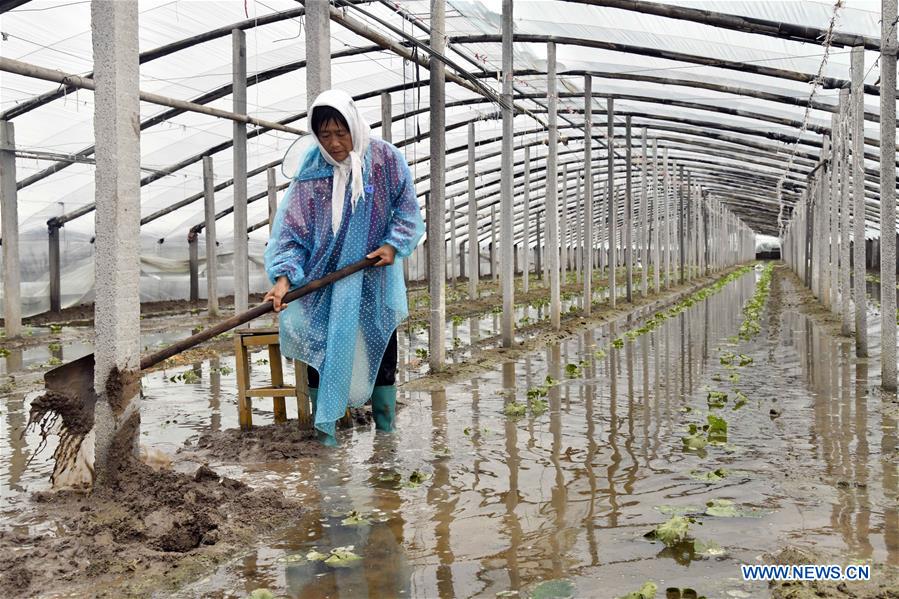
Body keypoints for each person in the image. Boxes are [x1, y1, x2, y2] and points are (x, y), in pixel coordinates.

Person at [264, 89, 425, 446]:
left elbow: (408, 211)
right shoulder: (312, 170)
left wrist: (393, 244)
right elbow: (292, 232)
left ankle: (386, 438)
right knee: (319, 347)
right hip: (323, 283)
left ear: (354, 126)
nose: (334, 143)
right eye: (325, 135)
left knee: (381, 354)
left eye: (341, 133)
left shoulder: (385, 159)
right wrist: (283, 277)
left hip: (372, 277)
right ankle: (327, 442)